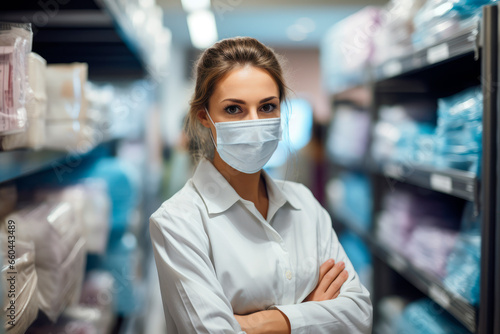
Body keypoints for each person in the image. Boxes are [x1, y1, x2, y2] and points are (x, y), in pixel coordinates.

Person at [149, 37, 372, 334]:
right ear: (205, 117)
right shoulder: (178, 223)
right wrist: (312, 312)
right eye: (233, 109)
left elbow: (359, 314)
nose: (254, 123)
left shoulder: (304, 203)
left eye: (267, 107)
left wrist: (263, 322)